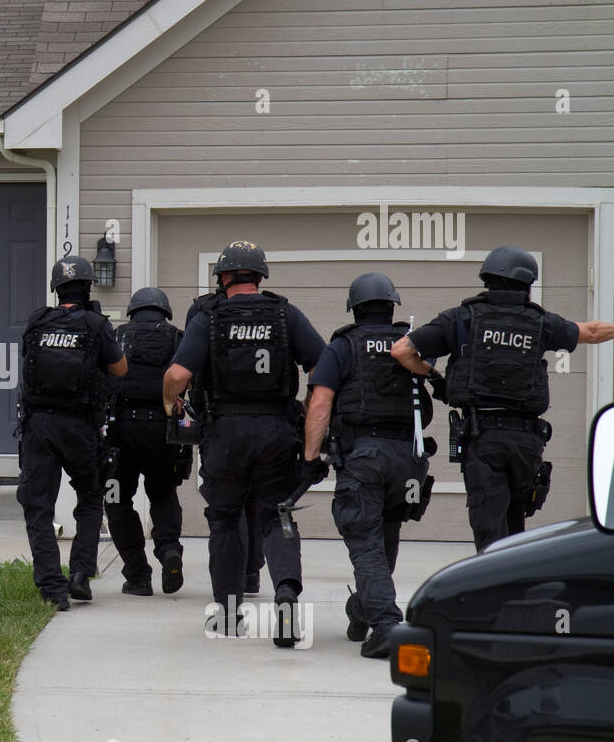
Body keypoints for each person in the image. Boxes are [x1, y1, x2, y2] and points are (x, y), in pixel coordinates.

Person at [393, 245, 614, 552]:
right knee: (516, 527)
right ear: (527, 283)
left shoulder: (460, 319)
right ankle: (514, 587)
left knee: (489, 528)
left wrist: (434, 377)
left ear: (487, 278)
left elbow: (402, 351)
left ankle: (492, 591)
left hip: (481, 437)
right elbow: (591, 331)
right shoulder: (542, 322)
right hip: (526, 441)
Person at [163, 241, 325, 644]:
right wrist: (308, 411)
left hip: (226, 434)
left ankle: (230, 615)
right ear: (259, 277)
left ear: (223, 277)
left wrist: (171, 403)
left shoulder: (208, 317)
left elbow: (178, 375)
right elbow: (323, 366)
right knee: (277, 516)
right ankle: (285, 592)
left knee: (225, 519)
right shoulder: (286, 315)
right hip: (277, 431)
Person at [304, 273, 434, 659]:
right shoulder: (407, 344)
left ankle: (385, 625)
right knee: (385, 535)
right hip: (407, 459)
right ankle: (362, 610)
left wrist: (310, 458)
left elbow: (321, 403)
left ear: (354, 308)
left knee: (365, 544)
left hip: (364, 457)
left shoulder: (343, 346)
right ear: (392, 305)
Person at [17, 255, 128, 610]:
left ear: (56, 289)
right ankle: (80, 574)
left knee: (38, 506)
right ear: (88, 286)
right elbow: (121, 369)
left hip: (38, 426)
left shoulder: (36, 321)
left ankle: (52, 587)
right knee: (91, 498)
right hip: (80, 426)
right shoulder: (96, 324)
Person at [105, 287, 185, 597]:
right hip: (163, 433)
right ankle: (169, 551)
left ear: (132, 310)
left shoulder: (118, 335)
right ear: (164, 311)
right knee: (163, 494)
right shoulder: (177, 337)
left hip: (121, 431)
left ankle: (138, 575)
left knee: (117, 500)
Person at [186, 292, 266, 595]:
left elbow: (186, 369)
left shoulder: (203, 311)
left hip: (221, 426)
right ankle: (252, 575)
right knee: (254, 504)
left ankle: (232, 592)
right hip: (267, 426)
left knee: (227, 511)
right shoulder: (272, 311)